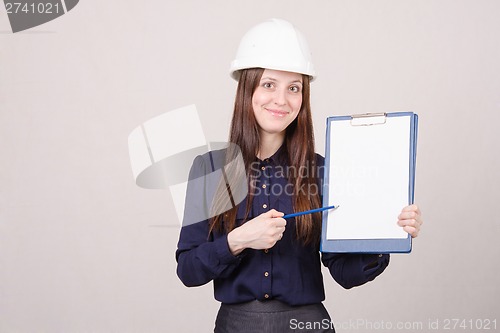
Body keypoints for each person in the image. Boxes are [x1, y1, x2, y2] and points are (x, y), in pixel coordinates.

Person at [175, 18, 423, 333]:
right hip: (235, 325)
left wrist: (386, 231)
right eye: (269, 84)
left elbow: (346, 273)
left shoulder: (323, 171)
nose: (282, 99)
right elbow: (188, 270)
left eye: (294, 88)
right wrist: (238, 240)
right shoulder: (209, 170)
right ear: (247, 88)